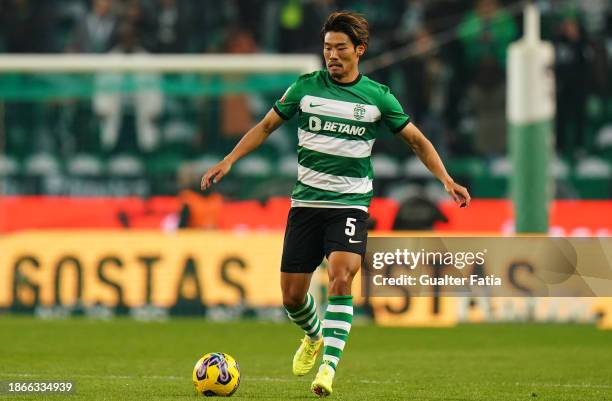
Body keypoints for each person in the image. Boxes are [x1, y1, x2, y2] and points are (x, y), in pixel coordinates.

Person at [201, 11, 470, 397]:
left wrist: (445, 178)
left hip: (350, 205)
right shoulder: (305, 88)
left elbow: (417, 141)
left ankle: (328, 368)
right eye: (327, 48)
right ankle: (314, 337)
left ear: (359, 50)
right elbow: (264, 127)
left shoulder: (378, 97)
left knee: (342, 276)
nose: (332, 55)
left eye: (340, 48)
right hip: (306, 204)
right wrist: (229, 160)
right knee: (293, 297)